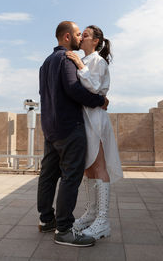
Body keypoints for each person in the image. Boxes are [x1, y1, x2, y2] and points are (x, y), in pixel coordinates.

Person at [37, 21, 109, 247]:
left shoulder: (45, 63)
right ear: (67, 37)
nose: (80, 38)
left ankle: (46, 219)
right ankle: (65, 230)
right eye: (78, 34)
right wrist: (99, 100)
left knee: (48, 175)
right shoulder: (66, 58)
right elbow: (74, 89)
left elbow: (45, 95)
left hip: (49, 129)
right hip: (69, 128)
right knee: (71, 177)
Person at [66, 25, 123, 240]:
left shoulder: (97, 61)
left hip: (95, 119)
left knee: (99, 167)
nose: (82, 38)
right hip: (84, 119)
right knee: (88, 169)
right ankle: (91, 214)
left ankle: (103, 220)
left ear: (96, 41)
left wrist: (80, 64)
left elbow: (95, 87)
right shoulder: (86, 60)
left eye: (86, 35)